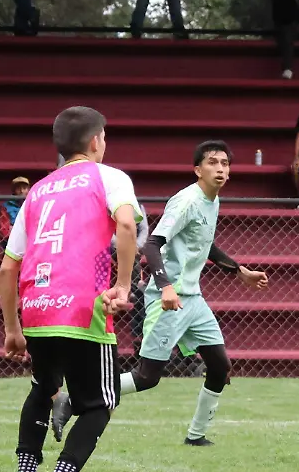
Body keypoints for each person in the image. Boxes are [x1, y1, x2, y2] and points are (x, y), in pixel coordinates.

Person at [54, 141, 268, 448]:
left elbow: (203, 243)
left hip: (193, 299)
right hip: (168, 299)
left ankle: (196, 435)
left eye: (224, 163)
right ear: (198, 170)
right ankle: (72, 400)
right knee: (147, 376)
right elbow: (152, 245)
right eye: (212, 163)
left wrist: (239, 270)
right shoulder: (186, 201)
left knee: (219, 366)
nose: (220, 168)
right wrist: (166, 287)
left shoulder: (212, 200)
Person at [1, 106, 142, 472]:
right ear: (97, 140)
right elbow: (127, 225)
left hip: (38, 305)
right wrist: (123, 284)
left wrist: (13, 327)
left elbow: (9, 267)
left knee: (43, 388)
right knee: (102, 400)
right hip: (85, 304)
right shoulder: (109, 176)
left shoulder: (38, 190)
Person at [0, 176, 31, 248]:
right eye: (18, 189)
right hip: (13, 237)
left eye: (24, 188)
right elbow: (4, 227)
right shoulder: (6, 206)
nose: (22, 191)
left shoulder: (33, 203)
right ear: (14, 191)